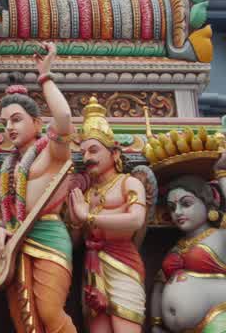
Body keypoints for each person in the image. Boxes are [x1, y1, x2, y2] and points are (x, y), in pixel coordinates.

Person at [0, 42, 77, 333]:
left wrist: (45, 76)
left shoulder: (51, 152)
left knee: (50, 313)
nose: (9, 128)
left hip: (48, 237)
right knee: (25, 322)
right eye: (4, 123)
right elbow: (1, 211)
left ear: (37, 123)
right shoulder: (9, 166)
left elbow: (64, 120)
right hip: (15, 244)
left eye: (16, 120)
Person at [68, 97, 150, 333]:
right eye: (83, 153)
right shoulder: (86, 194)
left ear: (114, 153)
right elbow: (75, 243)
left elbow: (136, 220)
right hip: (93, 270)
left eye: (93, 150)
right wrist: (76, 223)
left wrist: (89, 218)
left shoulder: (129, 183)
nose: (87, 158)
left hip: (124, 264)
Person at [151, 170, 226, 333]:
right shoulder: (176, 247)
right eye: (172, 208)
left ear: (208, 203)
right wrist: (156, 324)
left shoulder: (220, 236)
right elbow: (158, 286)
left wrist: (222, 174)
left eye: (186, 204)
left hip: (218, 319)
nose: (177, 212)